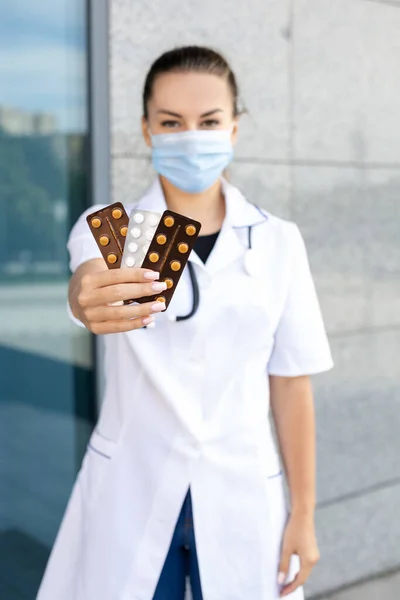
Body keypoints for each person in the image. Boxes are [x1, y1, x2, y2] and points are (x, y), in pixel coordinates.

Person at [37, 46, 333, 600]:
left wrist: (305, 513)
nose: (190, 135)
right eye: (171, 122)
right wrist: (84, 299)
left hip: (243, 489)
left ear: (235, 129)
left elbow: (292, 382)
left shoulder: (276, 240)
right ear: (147, 130)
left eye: (209, 121)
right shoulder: (114, 229)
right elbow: (88, 284)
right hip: (133, 485)